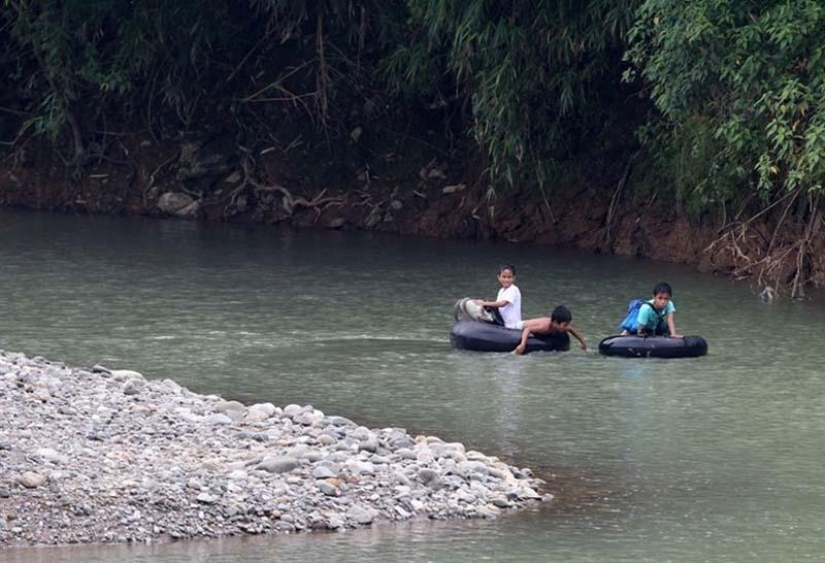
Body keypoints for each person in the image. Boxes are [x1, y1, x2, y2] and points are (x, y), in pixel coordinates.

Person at [513, 305, 587, 355]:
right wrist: (522, 345)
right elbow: (527, 329)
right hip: (519, 326)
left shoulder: (561, 326)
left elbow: (572, 329)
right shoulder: (544, 327)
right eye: (565, 325)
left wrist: (583, 343)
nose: (567, 327)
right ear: (555, 322)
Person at [475, 264, 522, 329]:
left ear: (514, 278)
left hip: (512, 325)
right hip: (502, 322)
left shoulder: (513, 289)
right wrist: (486, 305)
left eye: (509, 277)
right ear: (499, 277)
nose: (506, 280)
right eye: (504, 277)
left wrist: (483, 303)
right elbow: (497, 306)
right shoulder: (501, 291)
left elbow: (502, 304)